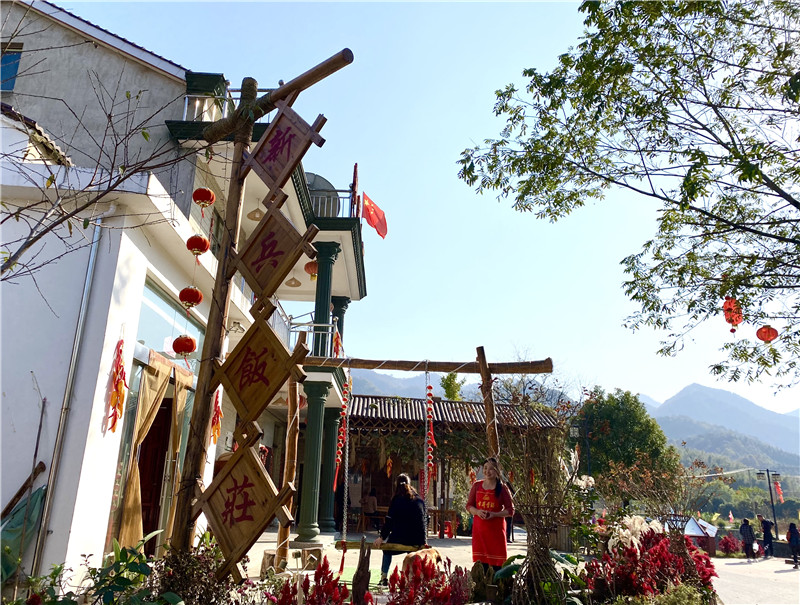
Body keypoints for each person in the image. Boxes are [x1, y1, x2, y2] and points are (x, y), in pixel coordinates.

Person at [373, 474, 426, 586]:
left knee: (386, 550)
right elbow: (424, 521)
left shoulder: (396, 500)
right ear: (410, 484)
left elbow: (389, 521)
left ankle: (384, 577)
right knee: (413, 553)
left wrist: (382, 537)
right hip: (416, 539)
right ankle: (416, 579)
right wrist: (423, 541)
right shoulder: (419, 500)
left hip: (399, 537)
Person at [467, 457, 515, 571]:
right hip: (479, 533)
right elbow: (469, 506)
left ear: (497, 471)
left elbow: (511, 510)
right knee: (481, 567)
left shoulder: (503, 488)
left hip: (496, 534)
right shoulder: (476, 486)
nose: (487, 471)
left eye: (491, 469)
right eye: (485, 468)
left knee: (497, 567)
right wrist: (477, 512)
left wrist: (494, 514)